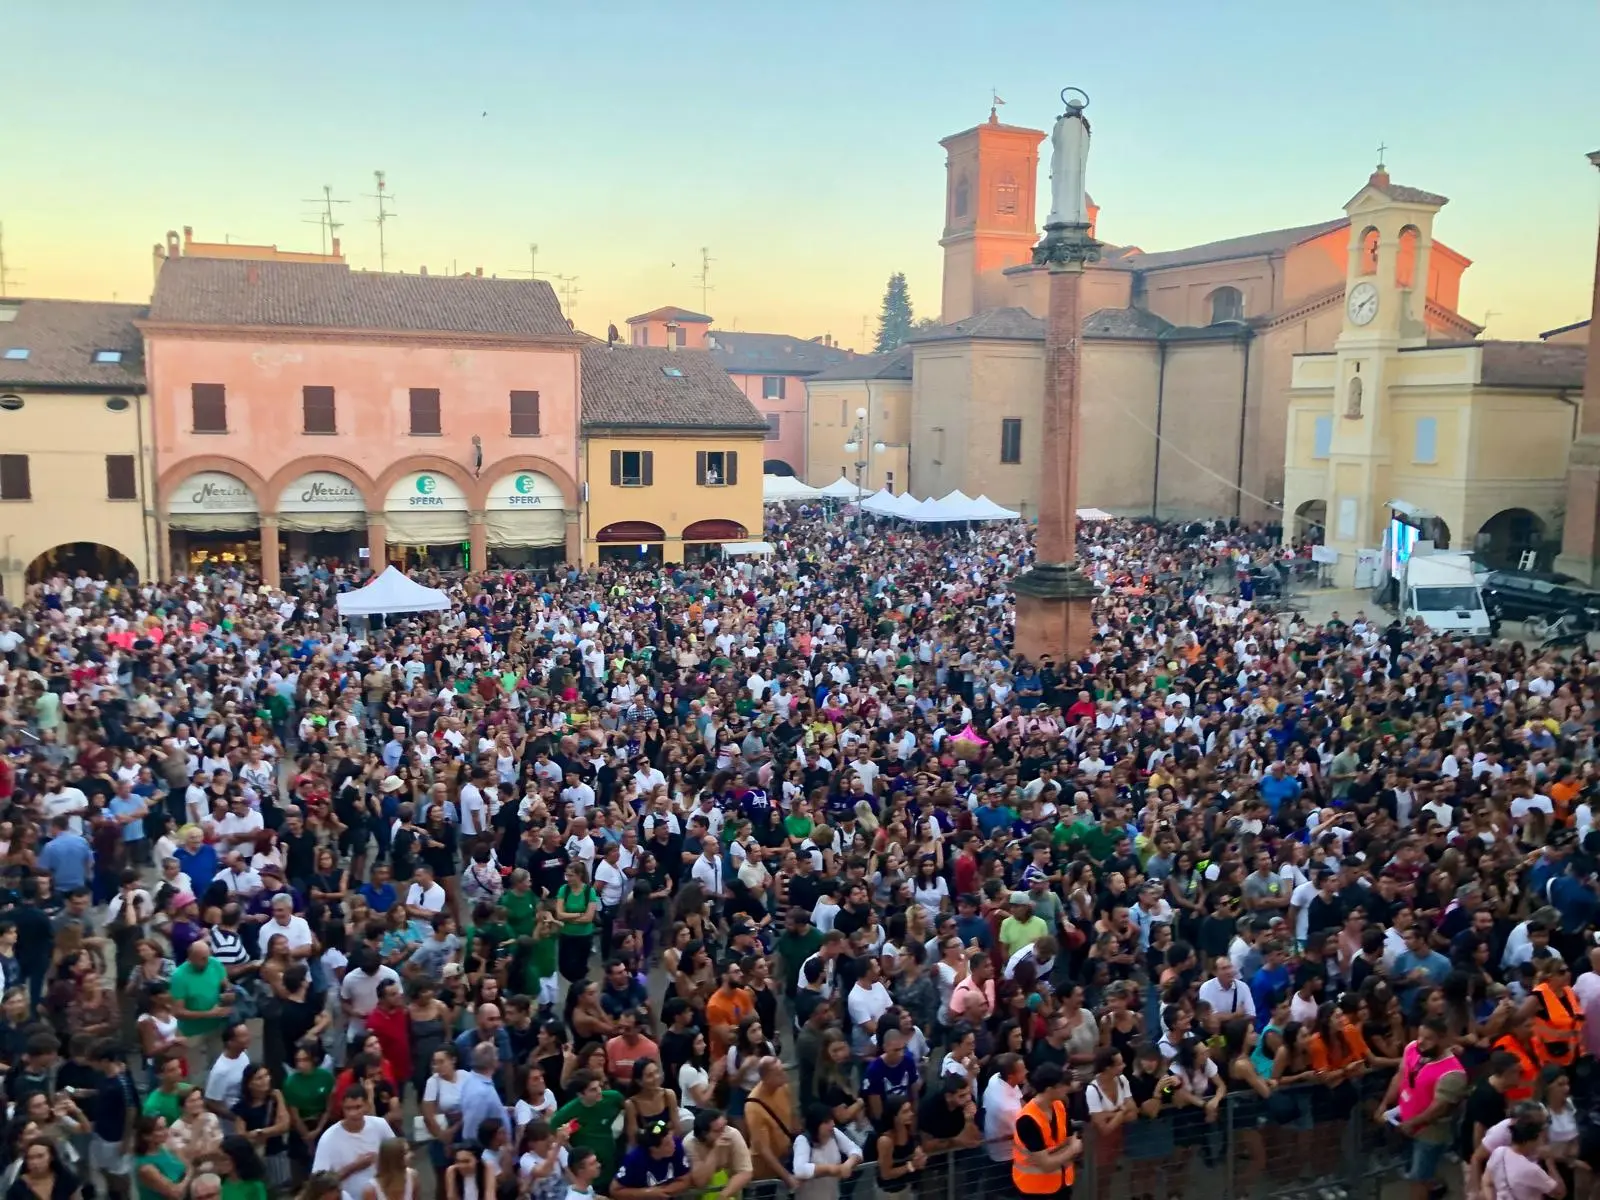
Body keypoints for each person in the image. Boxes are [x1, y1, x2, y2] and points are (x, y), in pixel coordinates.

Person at [1012, 1063, 1081, 1197]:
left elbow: (1070, 1138)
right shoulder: (1027, 1120)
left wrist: (1059, 1153)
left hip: (1062, 1184)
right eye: (1062, 1085)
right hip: (1035, 1190)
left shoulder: (1060, 1106)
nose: (1067, 1088)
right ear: (1050, 1089)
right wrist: (1072, 1150)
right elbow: (1047, 1165)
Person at [310, 1090, 392, 1200]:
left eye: (358, 1107)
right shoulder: (328, 1138)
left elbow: (398, 1155)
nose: (352, 1113)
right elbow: (319, 1184)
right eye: (348, 1109)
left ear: (367, 1106)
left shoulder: (380, 1125)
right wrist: (354, 1166)